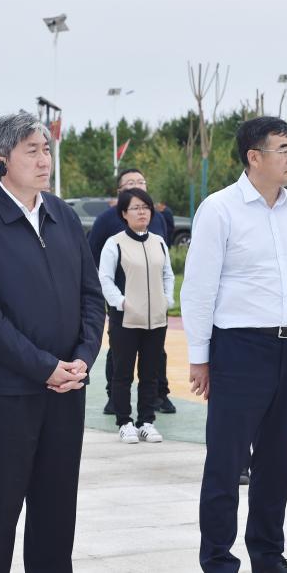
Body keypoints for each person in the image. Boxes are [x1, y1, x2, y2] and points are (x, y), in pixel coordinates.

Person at [0, 111, 105, 573]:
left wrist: (82, 358)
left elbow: (91, 296)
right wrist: (44, 367)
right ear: (0, 160)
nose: (44, 160)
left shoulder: (63, 215)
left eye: (46, 150)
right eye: (31, 151)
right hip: (8, 392)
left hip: (67, 389)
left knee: (56, 511)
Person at [181, 116, 287, 573]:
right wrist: (200, 357)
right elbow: (198, 289)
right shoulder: (220, 209)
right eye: (284, 149)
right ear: (254, 157)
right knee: (226, 462)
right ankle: (218, 559)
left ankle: (267, 553)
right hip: (239, 348)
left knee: (277, 462)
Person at [87, 168, 175, 416]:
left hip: (155, 307)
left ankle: (159, 397)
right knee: (120, 357)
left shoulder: (156, 220)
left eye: (141, 181)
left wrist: (167, 299)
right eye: (130, 183)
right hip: (124, 306)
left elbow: (164, 266)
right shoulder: (107, 223)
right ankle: (116, 404)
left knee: (155, 357)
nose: (136, 185)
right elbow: (94, 257)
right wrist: (118, 299)